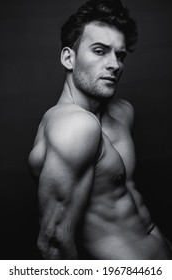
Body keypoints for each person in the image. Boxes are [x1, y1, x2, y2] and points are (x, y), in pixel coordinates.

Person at [28, 0, 172, 259]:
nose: (115, 64)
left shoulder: (122, 112)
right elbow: (54, 245)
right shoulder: (73, 127)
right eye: (99, 51)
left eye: (120, 55)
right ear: (68, 58)